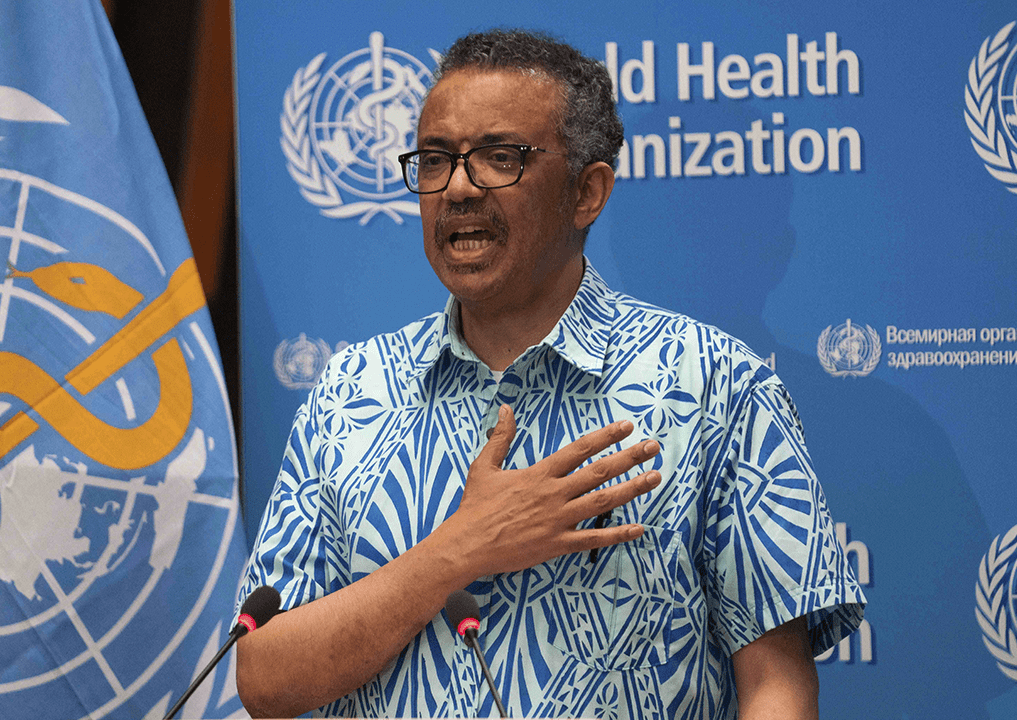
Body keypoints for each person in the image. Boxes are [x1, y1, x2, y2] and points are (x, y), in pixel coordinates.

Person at [234, 28, 866, 720]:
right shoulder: (351, 391)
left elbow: (777, 686)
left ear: (586, 193)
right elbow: (264, 677)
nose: (459, 188)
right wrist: (454, 553)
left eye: (499, 158)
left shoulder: (716, 385)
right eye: (436, 160)